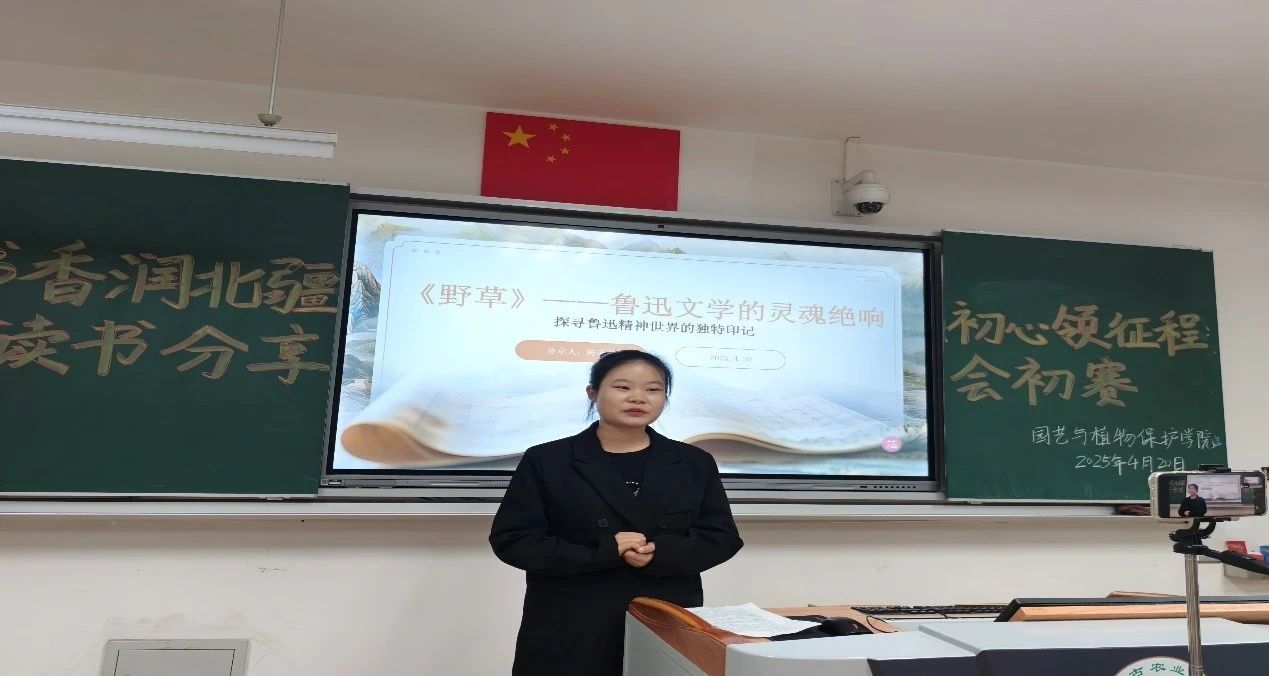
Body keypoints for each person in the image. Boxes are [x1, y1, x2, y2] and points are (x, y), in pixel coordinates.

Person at [490, 350, 743, 676]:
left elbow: (721, 537)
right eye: (623, 387)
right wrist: (605, 550)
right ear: (593, 393)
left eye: (653, 389)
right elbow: (514, 540)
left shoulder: (694, 462)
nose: (638, 397)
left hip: (663, 615)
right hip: (571, 620)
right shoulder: (547, 460)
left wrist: (660, 552)